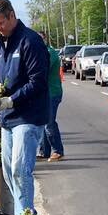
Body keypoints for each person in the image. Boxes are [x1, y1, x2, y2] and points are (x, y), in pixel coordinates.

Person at [0, 0, 49, 215]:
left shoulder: (30, 41)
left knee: (21, 169)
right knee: (9, 169)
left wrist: (12, 100)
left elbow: (38, 81)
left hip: (29, 115)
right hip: (8, 117)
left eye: (1, 22)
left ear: (12, 15)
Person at [38, 32, 64, 162]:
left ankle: (58, 151)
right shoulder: (40, 53)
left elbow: (42, 70)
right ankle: (44, 151)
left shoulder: (50, 53)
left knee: (49, 122)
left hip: (53, 93)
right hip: (44, 94)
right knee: (43, 122)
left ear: (45, 39)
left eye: (40, 39)